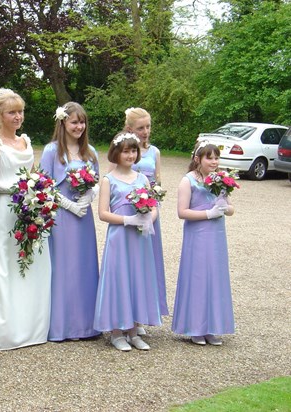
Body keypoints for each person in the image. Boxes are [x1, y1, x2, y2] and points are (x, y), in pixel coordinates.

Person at [0, 88, 51, 351]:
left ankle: (29, 325)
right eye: (12, 112)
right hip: (3, 210)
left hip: (30, 209)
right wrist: (18, 190)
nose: (18, 117)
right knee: (2, 265)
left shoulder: (26, 140)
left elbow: (33, 172)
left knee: (28, 263)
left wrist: (38, 192)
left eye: (20, 111)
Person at [93, 132, 162, 351]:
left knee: (138, 278)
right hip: (120, 236)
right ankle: (116, 332)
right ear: (116, 153)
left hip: (140, 238)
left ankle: (135, 329)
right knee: (120, 279)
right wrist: (128, 219)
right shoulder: (108, 179)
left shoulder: (142, 178)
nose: (130, 155)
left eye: (134, 151)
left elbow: (153, 207)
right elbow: (103, 213)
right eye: (126, 151)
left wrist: (147, 219)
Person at [39, 102, 100, 341]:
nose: (79, 126)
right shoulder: (52, 151)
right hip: (62, 217)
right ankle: (63, 326)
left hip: (84, 217)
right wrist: (69, 205)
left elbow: (96, 182)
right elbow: (43, 185)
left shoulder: (91, 151)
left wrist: (86, 198)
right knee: (65, 268)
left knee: (84, 266)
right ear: (63, 122)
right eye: (74, 122)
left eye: (82, 122)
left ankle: (86, 325)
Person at [172, 142, 235, 346]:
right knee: (198, 277)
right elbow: (182, 212)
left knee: (214, 278)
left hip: (217, 235)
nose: (214, 161)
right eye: (210, 157)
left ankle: (212, 327)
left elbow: (232, 208)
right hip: (197, 234)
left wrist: (225, 207)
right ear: (198, 159)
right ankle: (195, 327)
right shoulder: (188, 180)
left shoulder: (221, 180)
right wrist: (208, 213)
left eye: (216, 157)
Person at [124, 107, 168, 331]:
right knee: (131, 263)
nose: (145, 131)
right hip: (129, 212)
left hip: (150, 214)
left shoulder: (155, 152)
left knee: (148, 263)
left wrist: (153, 212)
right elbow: (114, 181)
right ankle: (128, 314)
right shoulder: (124, 150)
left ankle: (143, 313)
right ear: (130, 128)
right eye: (140, 128)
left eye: (148, 126)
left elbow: (157, 185)